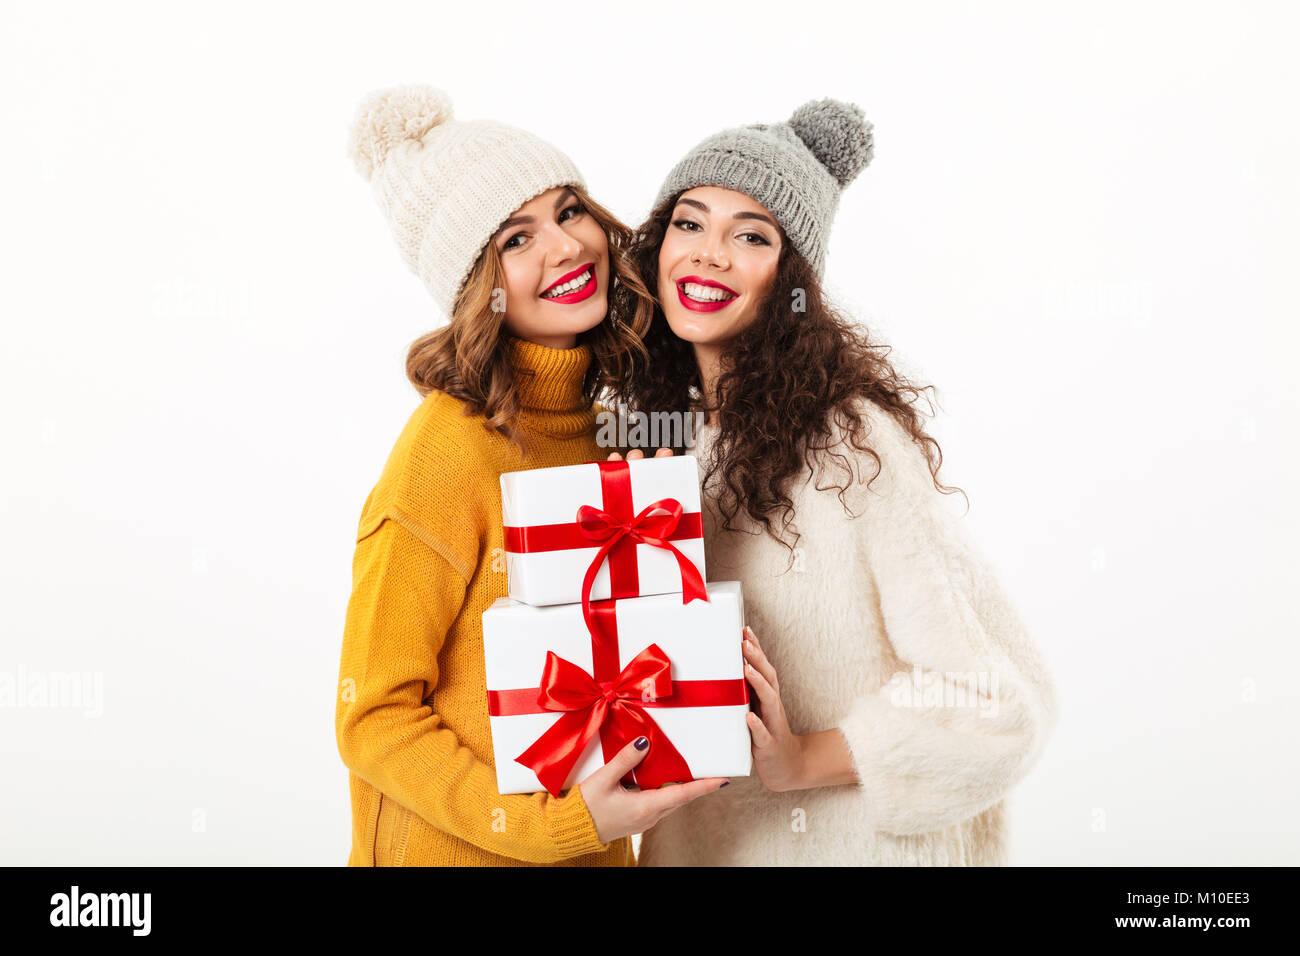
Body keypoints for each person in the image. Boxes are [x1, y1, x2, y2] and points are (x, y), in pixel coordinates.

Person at [609, 98, 1058, 865]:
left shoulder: (850, 445)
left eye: (750, 236)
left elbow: (999, 703)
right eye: (690, 222)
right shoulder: (654, 443)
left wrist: (806, 759)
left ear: (792, 278)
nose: (709, 254)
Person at [335, 84, 728, 867]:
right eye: (517, 239)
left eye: (570, 210)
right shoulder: (444, 452)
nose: (565, 247)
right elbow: (371, 717)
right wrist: (550, 827)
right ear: (478, 283)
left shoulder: (620, 428)